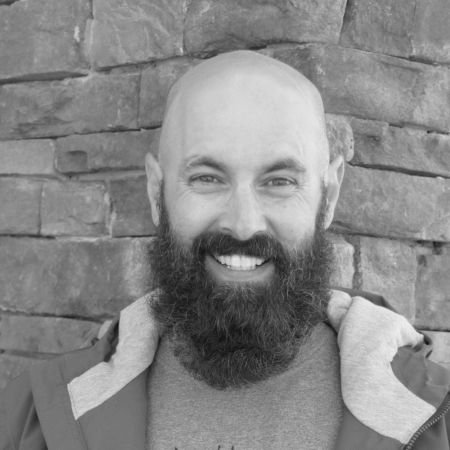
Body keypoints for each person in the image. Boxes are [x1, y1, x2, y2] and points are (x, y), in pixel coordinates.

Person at [0, 51, 449, 450]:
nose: (243, 223)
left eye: (279, 181)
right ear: (156, 193)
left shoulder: (438, 421)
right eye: (207, 178)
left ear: (328, 196)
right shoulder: (29, 420)